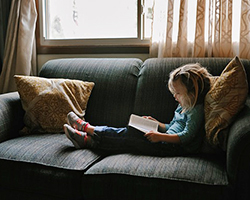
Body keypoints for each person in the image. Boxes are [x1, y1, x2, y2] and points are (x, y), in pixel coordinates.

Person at [63, 63, 212, 156]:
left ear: (192, 93)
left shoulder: (196, 110)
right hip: (166, 141)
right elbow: (172, 127)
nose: (175, 97)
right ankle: (88, 140)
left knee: (131, 135)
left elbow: (186, 136)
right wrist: (158, 124)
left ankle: (87, 129)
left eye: (178, 93)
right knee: (130, 135)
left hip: (173, 148)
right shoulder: (183, 106)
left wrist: (160, 136)